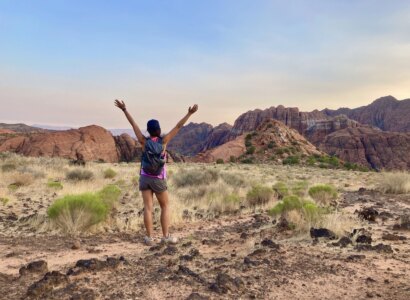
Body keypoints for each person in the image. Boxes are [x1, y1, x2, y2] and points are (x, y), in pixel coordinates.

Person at [115, 99, 198, 245]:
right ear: (158, 130)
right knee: (165, 206)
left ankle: (149, 238)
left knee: (148, 207)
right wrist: (189, 113)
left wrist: (124, 109)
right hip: (158, 178)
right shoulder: (164, 141)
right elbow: (179, 126)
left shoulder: (143, 141)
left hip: (145, 177)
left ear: (148, 130)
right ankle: (165, 237)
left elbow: (133, 124)